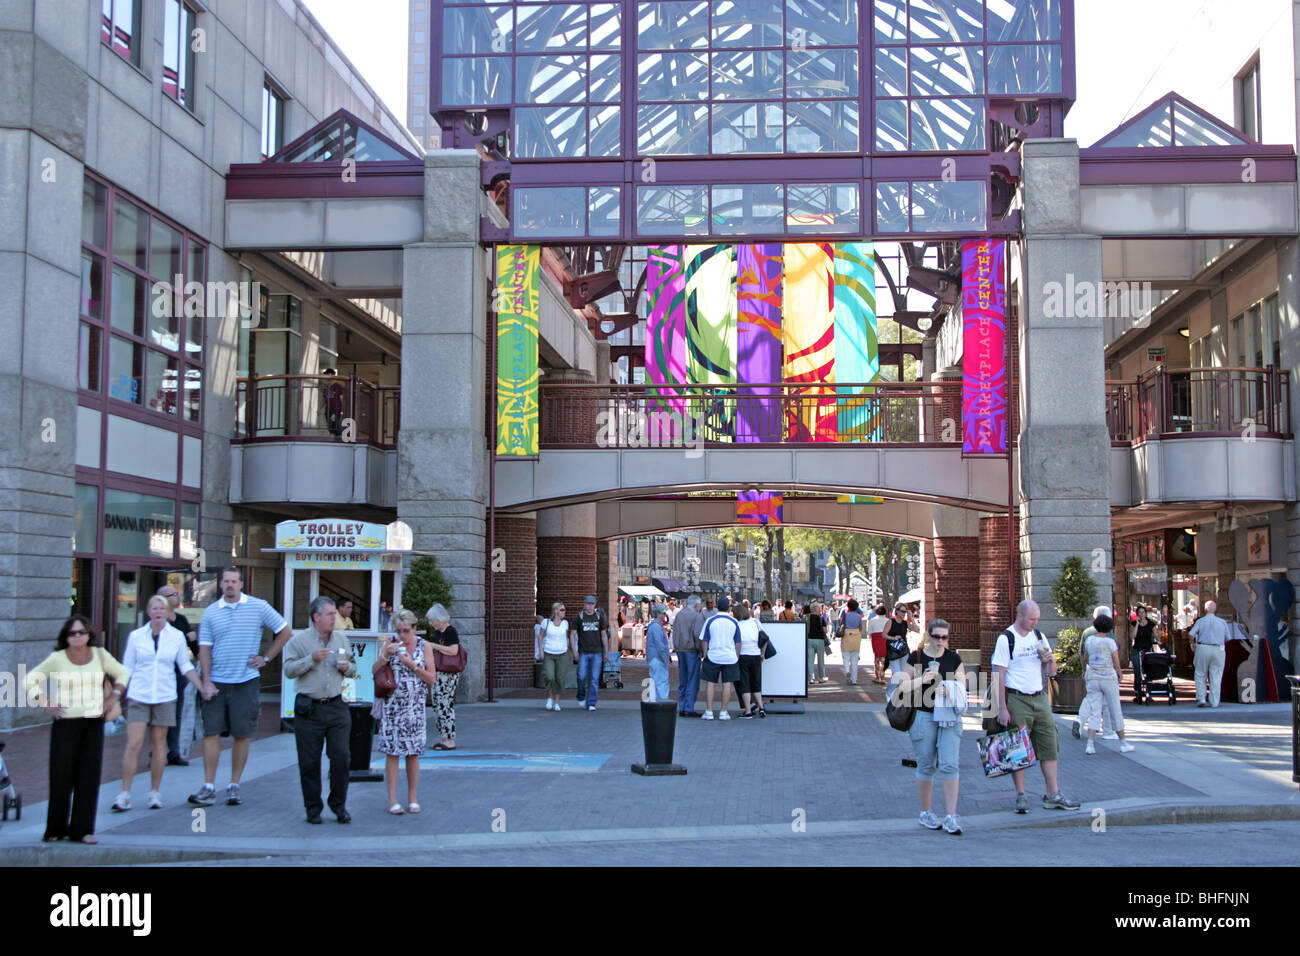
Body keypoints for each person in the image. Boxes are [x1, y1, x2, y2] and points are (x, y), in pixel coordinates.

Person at [190, 567, 293, 808]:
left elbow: (285, 631)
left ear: (241, 584)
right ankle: (209, 786)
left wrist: (266, 658)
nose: (230, 585)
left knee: (242, 734)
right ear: (221, 585)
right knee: (211, 733)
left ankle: (234, 786)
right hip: (217, 681)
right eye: (226, 581)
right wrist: (206, 680)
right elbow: (204, 648)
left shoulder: (258, 606)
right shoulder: (211, 612)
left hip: (246, 681)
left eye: (234, 581)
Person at [25, 616, 130, 843]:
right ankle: (55, 829)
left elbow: (123, 673)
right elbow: (30, 679)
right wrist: (46, 703)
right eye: (72, 633)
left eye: (81, 632)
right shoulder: (57, 658)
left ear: (89, 634)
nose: (77, 636)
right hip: (66, 722)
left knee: (88, 776)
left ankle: (82, 830)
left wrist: (114, 697)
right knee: (61, 776)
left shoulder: (100, 655)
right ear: (66, 636)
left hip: (93, 721)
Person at [113, 595, 205, 812]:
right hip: (139, 695)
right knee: (133, 744)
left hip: (165, 696)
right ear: (149, 612)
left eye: (161, 608)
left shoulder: (175, 637)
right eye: (154, 608)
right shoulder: (137, 636)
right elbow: (127, 668)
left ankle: (154, 793)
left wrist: (202, 686)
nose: (158, 612)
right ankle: (124, 794)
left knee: (159, 745)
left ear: (167, 612)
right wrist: (116, 694)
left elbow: (185, 665)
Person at [992, 600, 1081, 813]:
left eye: (1037, 619)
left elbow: (1052, 672)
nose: (1034, 622)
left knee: (1049, 744)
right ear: (1020, 615)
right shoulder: (1007, 639)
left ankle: (1053, 794)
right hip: (1017, 698)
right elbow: (998, 675)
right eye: (1031, 619)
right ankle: (1021, 795)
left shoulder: (1039, 637)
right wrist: (1002, 708)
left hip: (1039, 697)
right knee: (1017, 749)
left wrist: (1049, 661)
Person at [282, 596, 356, 824]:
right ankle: (313, 808)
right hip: (310, 708)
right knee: (309, 761)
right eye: (330, 614)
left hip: (336, 706)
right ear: (317, 617)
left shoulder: (342, 640)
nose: (335, 618)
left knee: (341, 758)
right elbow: (288, 670)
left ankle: (339, 805)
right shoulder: (299, 641)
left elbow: (353, 668)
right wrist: (311, 659)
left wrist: (347, 668)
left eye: (335, 614)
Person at [900, 619, 967, 834]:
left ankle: (951, 816)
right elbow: (901, 687)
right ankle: (926, 812)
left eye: (944, 637)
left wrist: (949, 690)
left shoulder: (954, 658)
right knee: (926, 765)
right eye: (936, 636)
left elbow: (963, 689)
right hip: (923, 716)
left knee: (949, 764)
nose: (940, 641)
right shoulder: (916, 657)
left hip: (948, 718)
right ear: (928, 635)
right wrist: (923, 680)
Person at [375, 610, 436, 814]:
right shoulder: (390, 642)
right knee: (392, 753)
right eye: (399, 630)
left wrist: (411, 665)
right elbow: (374, 670)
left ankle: (412, 798)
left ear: (414, 628)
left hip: (414, 709)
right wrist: (386, 655)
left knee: (413, 753)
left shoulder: (423, 645)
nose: (402, 635)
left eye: (406, 631)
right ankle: (392, 799)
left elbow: (431, 678)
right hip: (392, 707)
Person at [1079, 612, 1135, 754]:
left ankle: (1090, 744)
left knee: (1095, 710)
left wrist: (1084, 670)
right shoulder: (1110, 642)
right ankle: (1123, 742)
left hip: (1092, 676)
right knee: (1115, 708)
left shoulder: (1089, 640)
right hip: (1108, 677)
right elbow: (1116, 661)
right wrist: (1120, 673)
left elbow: (1085, 657)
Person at [157, 585, 198, 767]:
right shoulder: (158, 620)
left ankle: (174, 752)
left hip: (179, 674)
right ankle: (156, 751)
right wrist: (187, 637)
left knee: (176, 714)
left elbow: (192, 643)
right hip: (161, 675)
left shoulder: (180, 618)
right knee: (160, 714)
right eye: (174, 594)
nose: (178, 597)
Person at [1072, 605, 1119, 741]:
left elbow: (1082, 654)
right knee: (1109, 701)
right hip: (1107, 672)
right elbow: (1114, 654)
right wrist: (1118, 671)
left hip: (1091, 670)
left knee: (1090, 698)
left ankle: (1080, 720)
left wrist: (1083, 669)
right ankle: (1108, 730)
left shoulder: (1087, 633)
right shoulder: (1109, 634)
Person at [699, 596, 743, 719]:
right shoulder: (734, 622)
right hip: (730, 657)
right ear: (728, 608)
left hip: (713, 655)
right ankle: (724, 712)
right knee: (727, 684)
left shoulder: (710, 621)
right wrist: (737, 656)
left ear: (717, 607)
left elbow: (704, 639)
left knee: (710, 683)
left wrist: (705, 654)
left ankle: (709, 711)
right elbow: (738, 642)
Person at [426, 603, 462, 747]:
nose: (431, 623)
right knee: (437, 704)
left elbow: (454, 650)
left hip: (448, 673)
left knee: (445, 703)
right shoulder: (438, 633)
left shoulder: (450, 631)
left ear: (439, 618)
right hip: (439, 671)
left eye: (432, 620)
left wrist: (434, 646)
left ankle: (449, 739)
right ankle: (443, 737)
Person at [1189, 599, 1231, 708]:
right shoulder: (1222, 622)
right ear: (1216, 610)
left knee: (1200, 673)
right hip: (1218, 649)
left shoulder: (1201, 621)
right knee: (1216, 675)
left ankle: (1201, 698)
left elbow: (1191, 633)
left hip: (1203, 647)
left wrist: (1192, 643)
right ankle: (1214, 701)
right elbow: (1228, 638)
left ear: (1205, 609)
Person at [536, 602, 576, 711]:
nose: (564, 612)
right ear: (556, 611)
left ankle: (557, 702)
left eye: (564, 610)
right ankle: (550, 697)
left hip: (562, 654)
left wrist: (570, 651)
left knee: (560, 678)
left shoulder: (565, 623)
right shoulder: (546, 622)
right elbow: (540, 637)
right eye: (562, 610)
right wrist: (541, 651)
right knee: (549, 676)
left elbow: (567, 637)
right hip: (549, 652)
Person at [574, 595, 610, 710]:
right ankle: (581, 695)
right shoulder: (579, 617)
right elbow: (572, 634)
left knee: (594, 679)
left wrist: (606, 652)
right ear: (584, 604)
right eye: (588, 604)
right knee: (582, 676)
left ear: (595, 605)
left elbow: (604, 635)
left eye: (592, 604)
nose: (590, 606)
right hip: (583, 651)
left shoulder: (599, 617)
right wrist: (574, 651)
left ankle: (591, 703)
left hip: (597, 651)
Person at [673, 595, 705, 717]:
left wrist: (676, 647)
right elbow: (697, 634)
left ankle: (682, 706)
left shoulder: (680, 614)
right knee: (692, 679)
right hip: (691, 650)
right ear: (696, 605)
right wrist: (701, 649)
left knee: (683, 679)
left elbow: (675, 632)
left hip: (680, 649)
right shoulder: (697, 616)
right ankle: (689, 707)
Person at [733, 604, 766, 718]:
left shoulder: (736, 625)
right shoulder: (755, 622)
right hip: (756, 655)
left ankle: (748, 711)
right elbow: (764, 638)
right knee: (756, 683)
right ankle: (761, 707)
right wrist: (762, 653)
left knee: (744, 684)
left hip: (742, 656)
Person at [646, 604, 672, 702]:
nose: (664, 615)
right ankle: (663, 701)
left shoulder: (654, 626)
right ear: (657, 614)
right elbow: (660, 645)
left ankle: (653, 701)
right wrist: (666, 659)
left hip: (653, 657)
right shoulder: (656, 627)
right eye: (662, 613)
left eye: (664, 613)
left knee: (654, 680)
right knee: (662, 681)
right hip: (657, 658)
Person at [1130, 604, 1156, 703]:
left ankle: (1149, 693)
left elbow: (1156, 634)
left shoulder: (1151, 624)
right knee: (1137, 672)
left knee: (1149, 671)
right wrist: (1137, 624)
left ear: (1146, 613)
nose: (1141, 614)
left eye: (1143, 612)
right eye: (1139, 613)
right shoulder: (1133, 624)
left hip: (1148, 649)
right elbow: (1132, 637)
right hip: (1137, 649)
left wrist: (1159, 641)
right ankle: (1138, 692)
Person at [839, 598, 865, 685]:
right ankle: (854, 680)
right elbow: (861, 627)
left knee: (846, 657)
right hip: (856, 635)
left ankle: (847, 671)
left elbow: (842, 623)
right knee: (855, 660)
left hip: (846, 635)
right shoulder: (858, 616)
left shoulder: (846, 615)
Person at [806, 601, 829, 683]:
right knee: (821, 660)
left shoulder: (807, 618)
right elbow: (825, 630)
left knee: (810, 660)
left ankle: (811, 678)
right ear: (816, 610)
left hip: (809, 640)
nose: (820, 610)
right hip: (819, 640)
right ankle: (821, 677)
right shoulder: (821, 618)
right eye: (819, 608)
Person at [868, 604, 890, 683]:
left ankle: (877, 676)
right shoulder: (888, 620)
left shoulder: (872, 620)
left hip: (875, 639)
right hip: (885, 639)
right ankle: (883, 676)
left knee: (877, 658)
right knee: (884, 658)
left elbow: (869, 632)